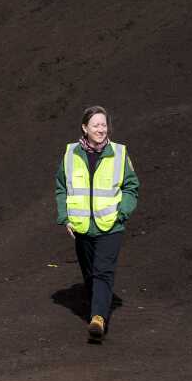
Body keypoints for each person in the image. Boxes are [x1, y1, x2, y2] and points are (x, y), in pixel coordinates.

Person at [54, 105, 140, 340]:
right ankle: (96, 305)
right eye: (96, 125)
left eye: (104, 125)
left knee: (103, 271)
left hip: (111, 224)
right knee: (90, 272)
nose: (102, 129)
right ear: (85, 128)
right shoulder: (70, 154)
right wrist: (65, 218)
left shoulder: (119, 153)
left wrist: (122, 212)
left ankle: (98, 318)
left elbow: (132, 187)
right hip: (81, 226)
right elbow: (61, 187)